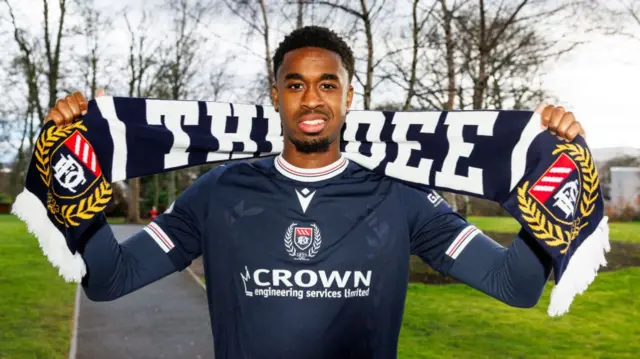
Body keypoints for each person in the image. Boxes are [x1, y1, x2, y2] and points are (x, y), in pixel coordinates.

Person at [46, 26, 585, 359]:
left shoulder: (400, 195)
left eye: (327, 84)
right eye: (296, 84)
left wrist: (557, 179)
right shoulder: (219, 190)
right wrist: (74, 180)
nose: (311, 99)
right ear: (275, 95)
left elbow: (513, 284)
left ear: (350, 96)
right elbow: (111, 279)